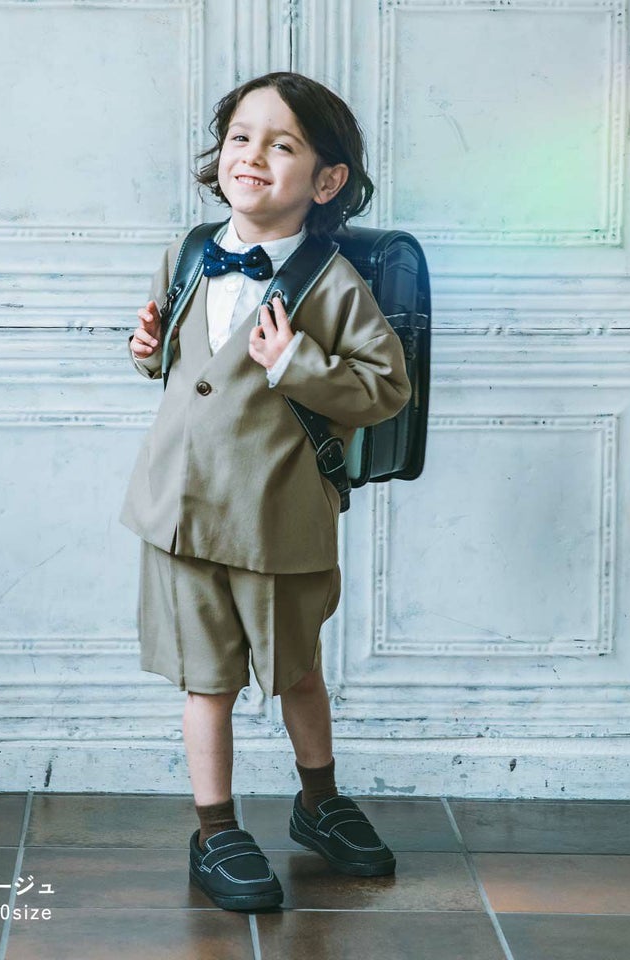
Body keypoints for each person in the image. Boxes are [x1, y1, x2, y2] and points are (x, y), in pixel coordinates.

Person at [120, 72, 411, 912]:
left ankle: (318, 801)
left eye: (282, 144)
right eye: (240, 137)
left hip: (276, 519)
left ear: (327, 181)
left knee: (298, 670)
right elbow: (182, 365)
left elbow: (386, 389)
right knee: (205, 681)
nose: (252, 155)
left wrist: (296, 363)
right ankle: (215, 829)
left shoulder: (335, 283)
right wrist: (145, 349)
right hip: (179, 513)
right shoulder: (187, 252)